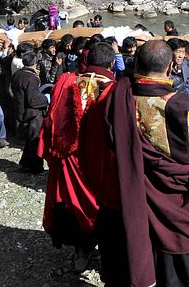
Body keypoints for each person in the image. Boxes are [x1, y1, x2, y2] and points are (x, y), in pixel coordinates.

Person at [91, 40, 189, 287]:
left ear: (135, 66)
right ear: (169, 69)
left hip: (131, 191)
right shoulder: (179, 106)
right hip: (176, 200)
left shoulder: (115, 99)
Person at [39, 42, 116, 271]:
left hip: (69, 159)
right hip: (102, 163)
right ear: (112, 63)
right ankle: (109, 255)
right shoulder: (114, 89)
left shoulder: (66, 83)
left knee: (72, 206)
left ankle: (81, 253)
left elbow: (51, 122)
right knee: (105, 209)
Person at [11, 52, 47, 174]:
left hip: (21, 111)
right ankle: (36, 168)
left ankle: (25, 164)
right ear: (35, 64)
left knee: (29, 141)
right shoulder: (31, 78)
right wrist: (47, 98)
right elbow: (33, 100)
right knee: (35, 141)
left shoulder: (17, 74)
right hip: (32, 114)